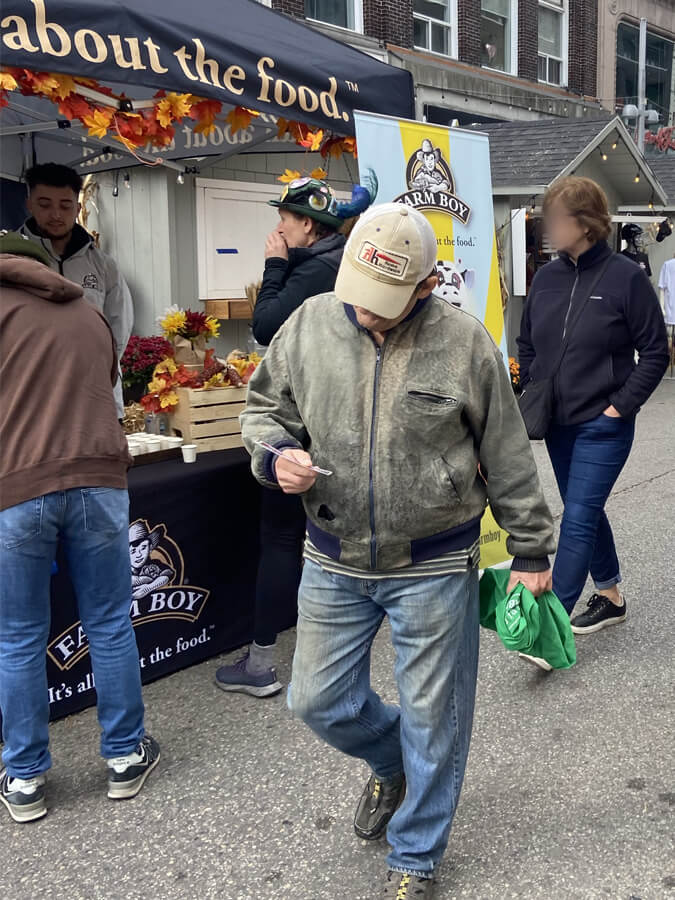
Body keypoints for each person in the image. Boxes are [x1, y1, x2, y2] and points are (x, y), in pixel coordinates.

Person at [240, 203, 556, 897]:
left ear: (425, 285)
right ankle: (393, 764)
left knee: (433, 718)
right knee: (315, 700)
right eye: (358, 296)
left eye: (386, 304)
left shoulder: (464, 343)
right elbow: (262, 410)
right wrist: (276, 452)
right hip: (332, 554)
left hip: (435, 561)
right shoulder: (310, 323)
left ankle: (414, 855)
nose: (366, 315)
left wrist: (531, 550)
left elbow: (505, 455)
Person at [0, 233, 159, 824]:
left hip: (18, 485)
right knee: (111, 622)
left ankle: (24, 778)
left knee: (18, 636)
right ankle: (123, 758)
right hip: (98, 479)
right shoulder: (90, 315)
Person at [518, 176, 668, 638]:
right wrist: (537, 386)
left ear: (586, 223)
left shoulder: (626, 277)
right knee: (585, 507)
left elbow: (656, 351)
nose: (550, 227)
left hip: (603, 425)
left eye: (558, 218)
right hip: (558, 423)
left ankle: (551, 625)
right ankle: (611, 596)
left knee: (578, 516)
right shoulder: (546, 277)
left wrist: (619, 407)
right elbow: (526, 343)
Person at [215, 177, 349, 698]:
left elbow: (268, 325)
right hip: (335, 420)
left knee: (281, 539)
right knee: (320, 538)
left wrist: (274, 265)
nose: (277, 229)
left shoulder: (314, 268)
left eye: (285, 221)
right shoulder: (340, 264)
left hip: (298, 424)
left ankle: (262, 663)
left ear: (308, 226)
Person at [21, 163, 133, 418]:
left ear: (78, 208)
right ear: (29, 205)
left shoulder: (103, 265)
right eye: (45, 204)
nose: (56, 214)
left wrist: (99, 367)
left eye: (65, 205)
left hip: (95, 395)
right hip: (31, 400)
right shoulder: (12, 259)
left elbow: (119, 327)